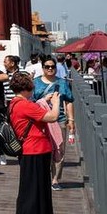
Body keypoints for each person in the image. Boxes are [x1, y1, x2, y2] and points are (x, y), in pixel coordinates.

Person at [9, 72, 59, 214]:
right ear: (26, 88)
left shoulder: (16, 103)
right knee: (30, 191)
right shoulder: (24, 105)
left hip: (37, 150)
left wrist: (44, 99)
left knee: (38, 190)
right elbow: (52, 117)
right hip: (32, 150)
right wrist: (56, 103)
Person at [33, 56, 74, 191]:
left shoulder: (62, 83)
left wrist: (71, 120)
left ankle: (55, 179)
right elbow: (31, 102)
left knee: (59, 150)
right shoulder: (35, 83)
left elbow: (69, 101)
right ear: (43, 68)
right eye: (47, 67)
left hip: (59, 120)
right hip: (42, 121)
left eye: (53, 66)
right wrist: (44, 100)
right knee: (43, 150)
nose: (50, 69)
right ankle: (43, 177)